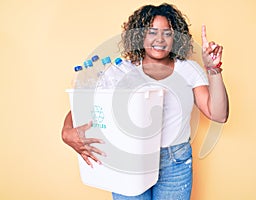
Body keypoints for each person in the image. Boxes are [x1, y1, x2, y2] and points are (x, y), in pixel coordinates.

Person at [61, 3, 229, 200]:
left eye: (167, 33)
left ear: (175, 38)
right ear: (140, 36)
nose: (160, 39)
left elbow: (219, 114)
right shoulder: (121, 71)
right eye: (152, 32)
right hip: (129, 159)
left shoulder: (188, 70)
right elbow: (85, 105)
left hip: (174, 163)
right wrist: (66, 132)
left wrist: (213, 70)